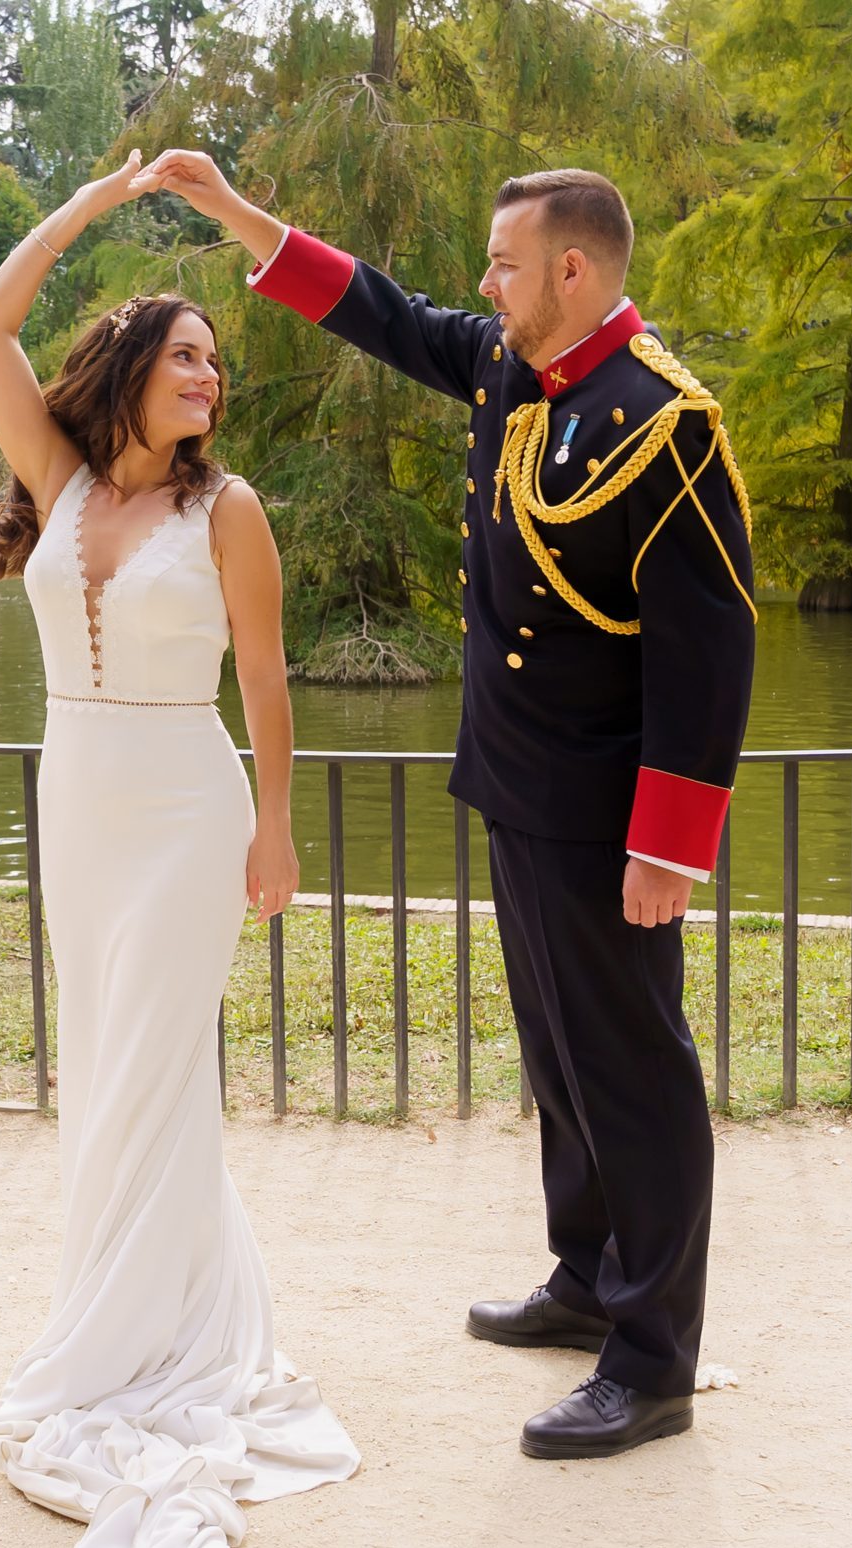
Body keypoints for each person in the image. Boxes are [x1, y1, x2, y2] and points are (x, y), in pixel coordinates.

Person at [144, 148, 756, 1461]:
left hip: (608, 813)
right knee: (560, 1052)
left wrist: (671, 844)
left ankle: (654, 1361)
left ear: (574, 272)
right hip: (520, 780)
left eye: (505, 264)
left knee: (635, 1069)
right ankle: (590, 1278)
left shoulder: (667, 423)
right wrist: (238, 215)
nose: (484, 284)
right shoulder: (510, 366)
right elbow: (386, 314)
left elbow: (710, 655)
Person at [0, 148, 358, 1548]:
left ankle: (138, 1350)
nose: (208, 375)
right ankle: (135, 1309)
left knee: (156, 1069)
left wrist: (278, 833)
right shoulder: (57, 483)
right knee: (102, 1066)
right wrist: (101, 210)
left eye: (216, 361)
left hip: (190, 811)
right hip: (78, 802)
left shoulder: (230, 510)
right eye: (187, 351)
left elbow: (265, 680)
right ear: (128, 366)